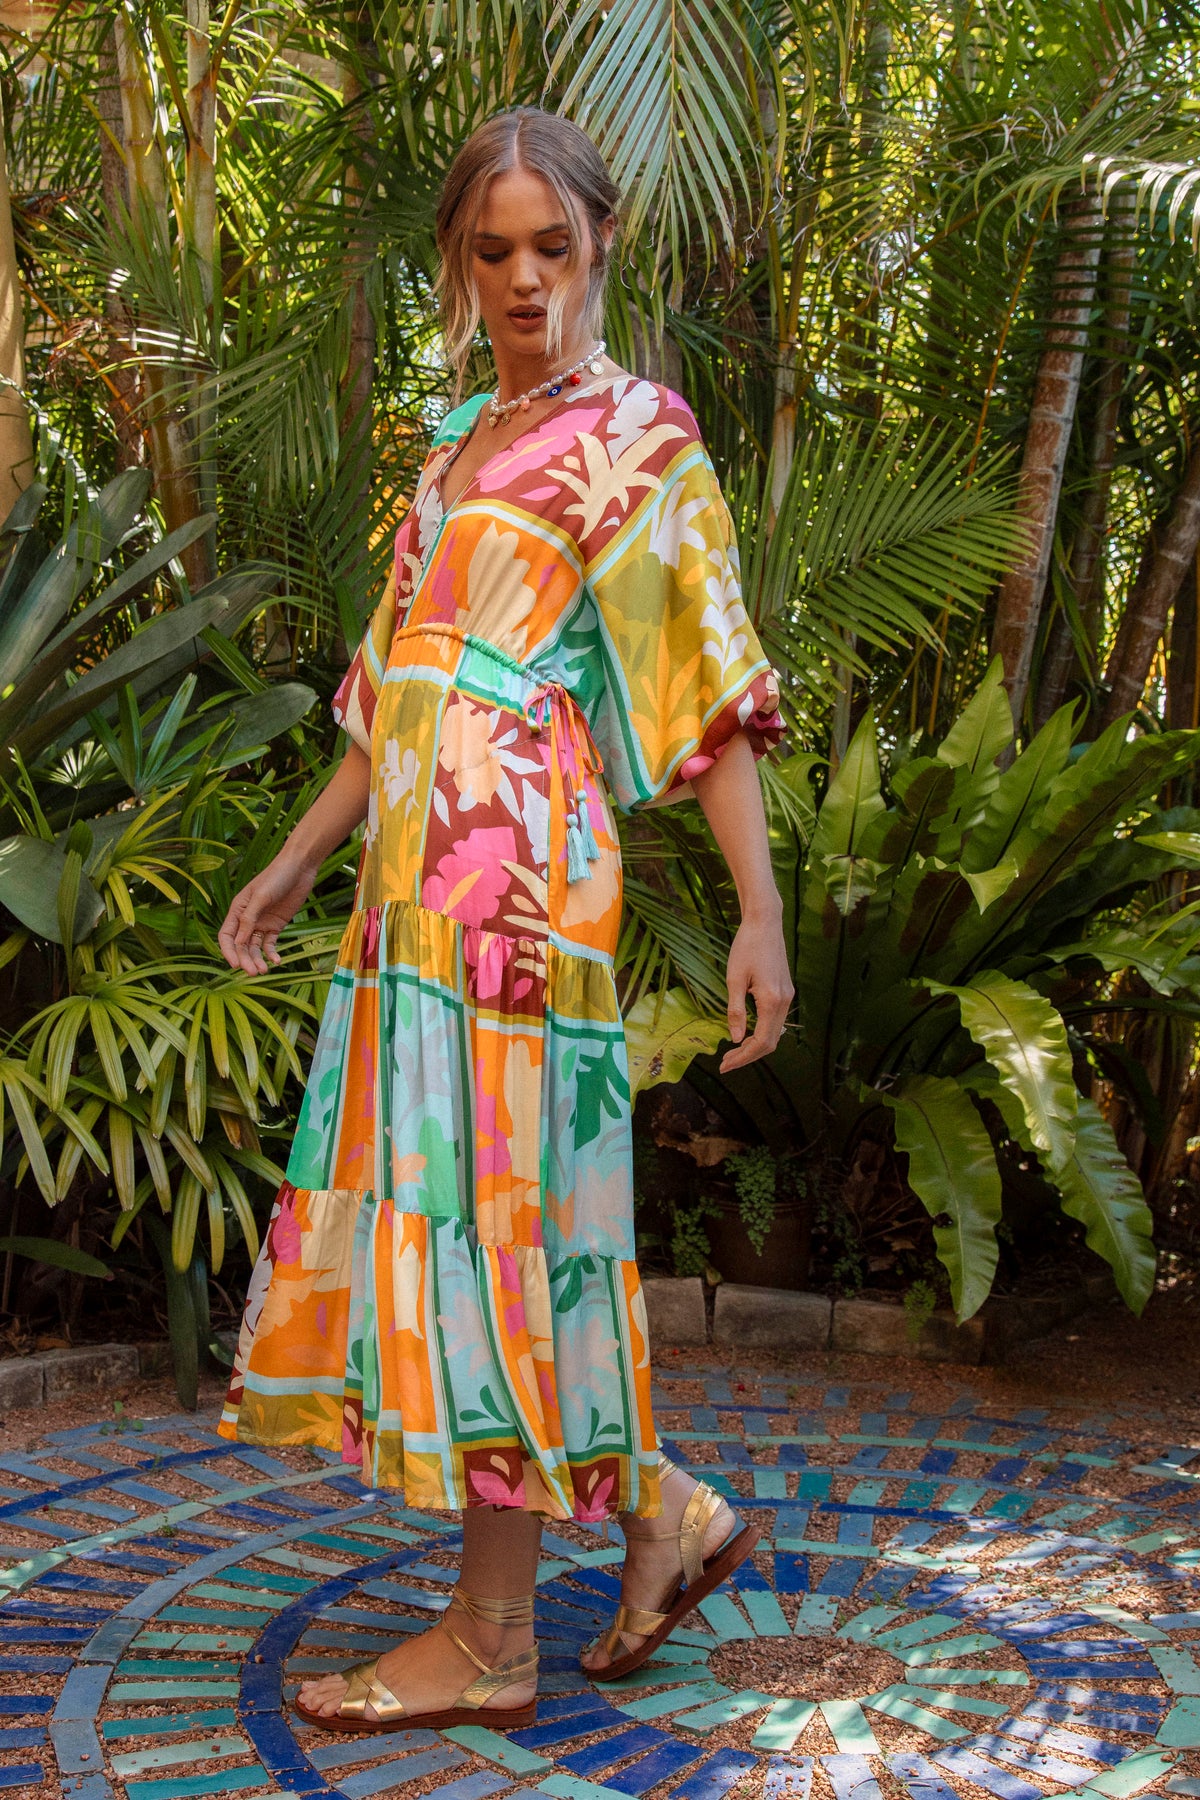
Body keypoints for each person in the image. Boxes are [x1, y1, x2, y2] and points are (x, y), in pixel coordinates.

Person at [216, 104, 793, 1737]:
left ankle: (490, 1637)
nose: (527, 277)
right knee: (475, 1227)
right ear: (460, 266)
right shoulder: (456, 441)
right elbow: (390, 686)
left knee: (499, 1234)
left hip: (523, 903)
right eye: (494, 251)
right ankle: (664, 1513)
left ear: (602, 241)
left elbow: (702, 696)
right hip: (409, 910)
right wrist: (296, 859)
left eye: (553, 244)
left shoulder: (639, 435)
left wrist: (760, 914)